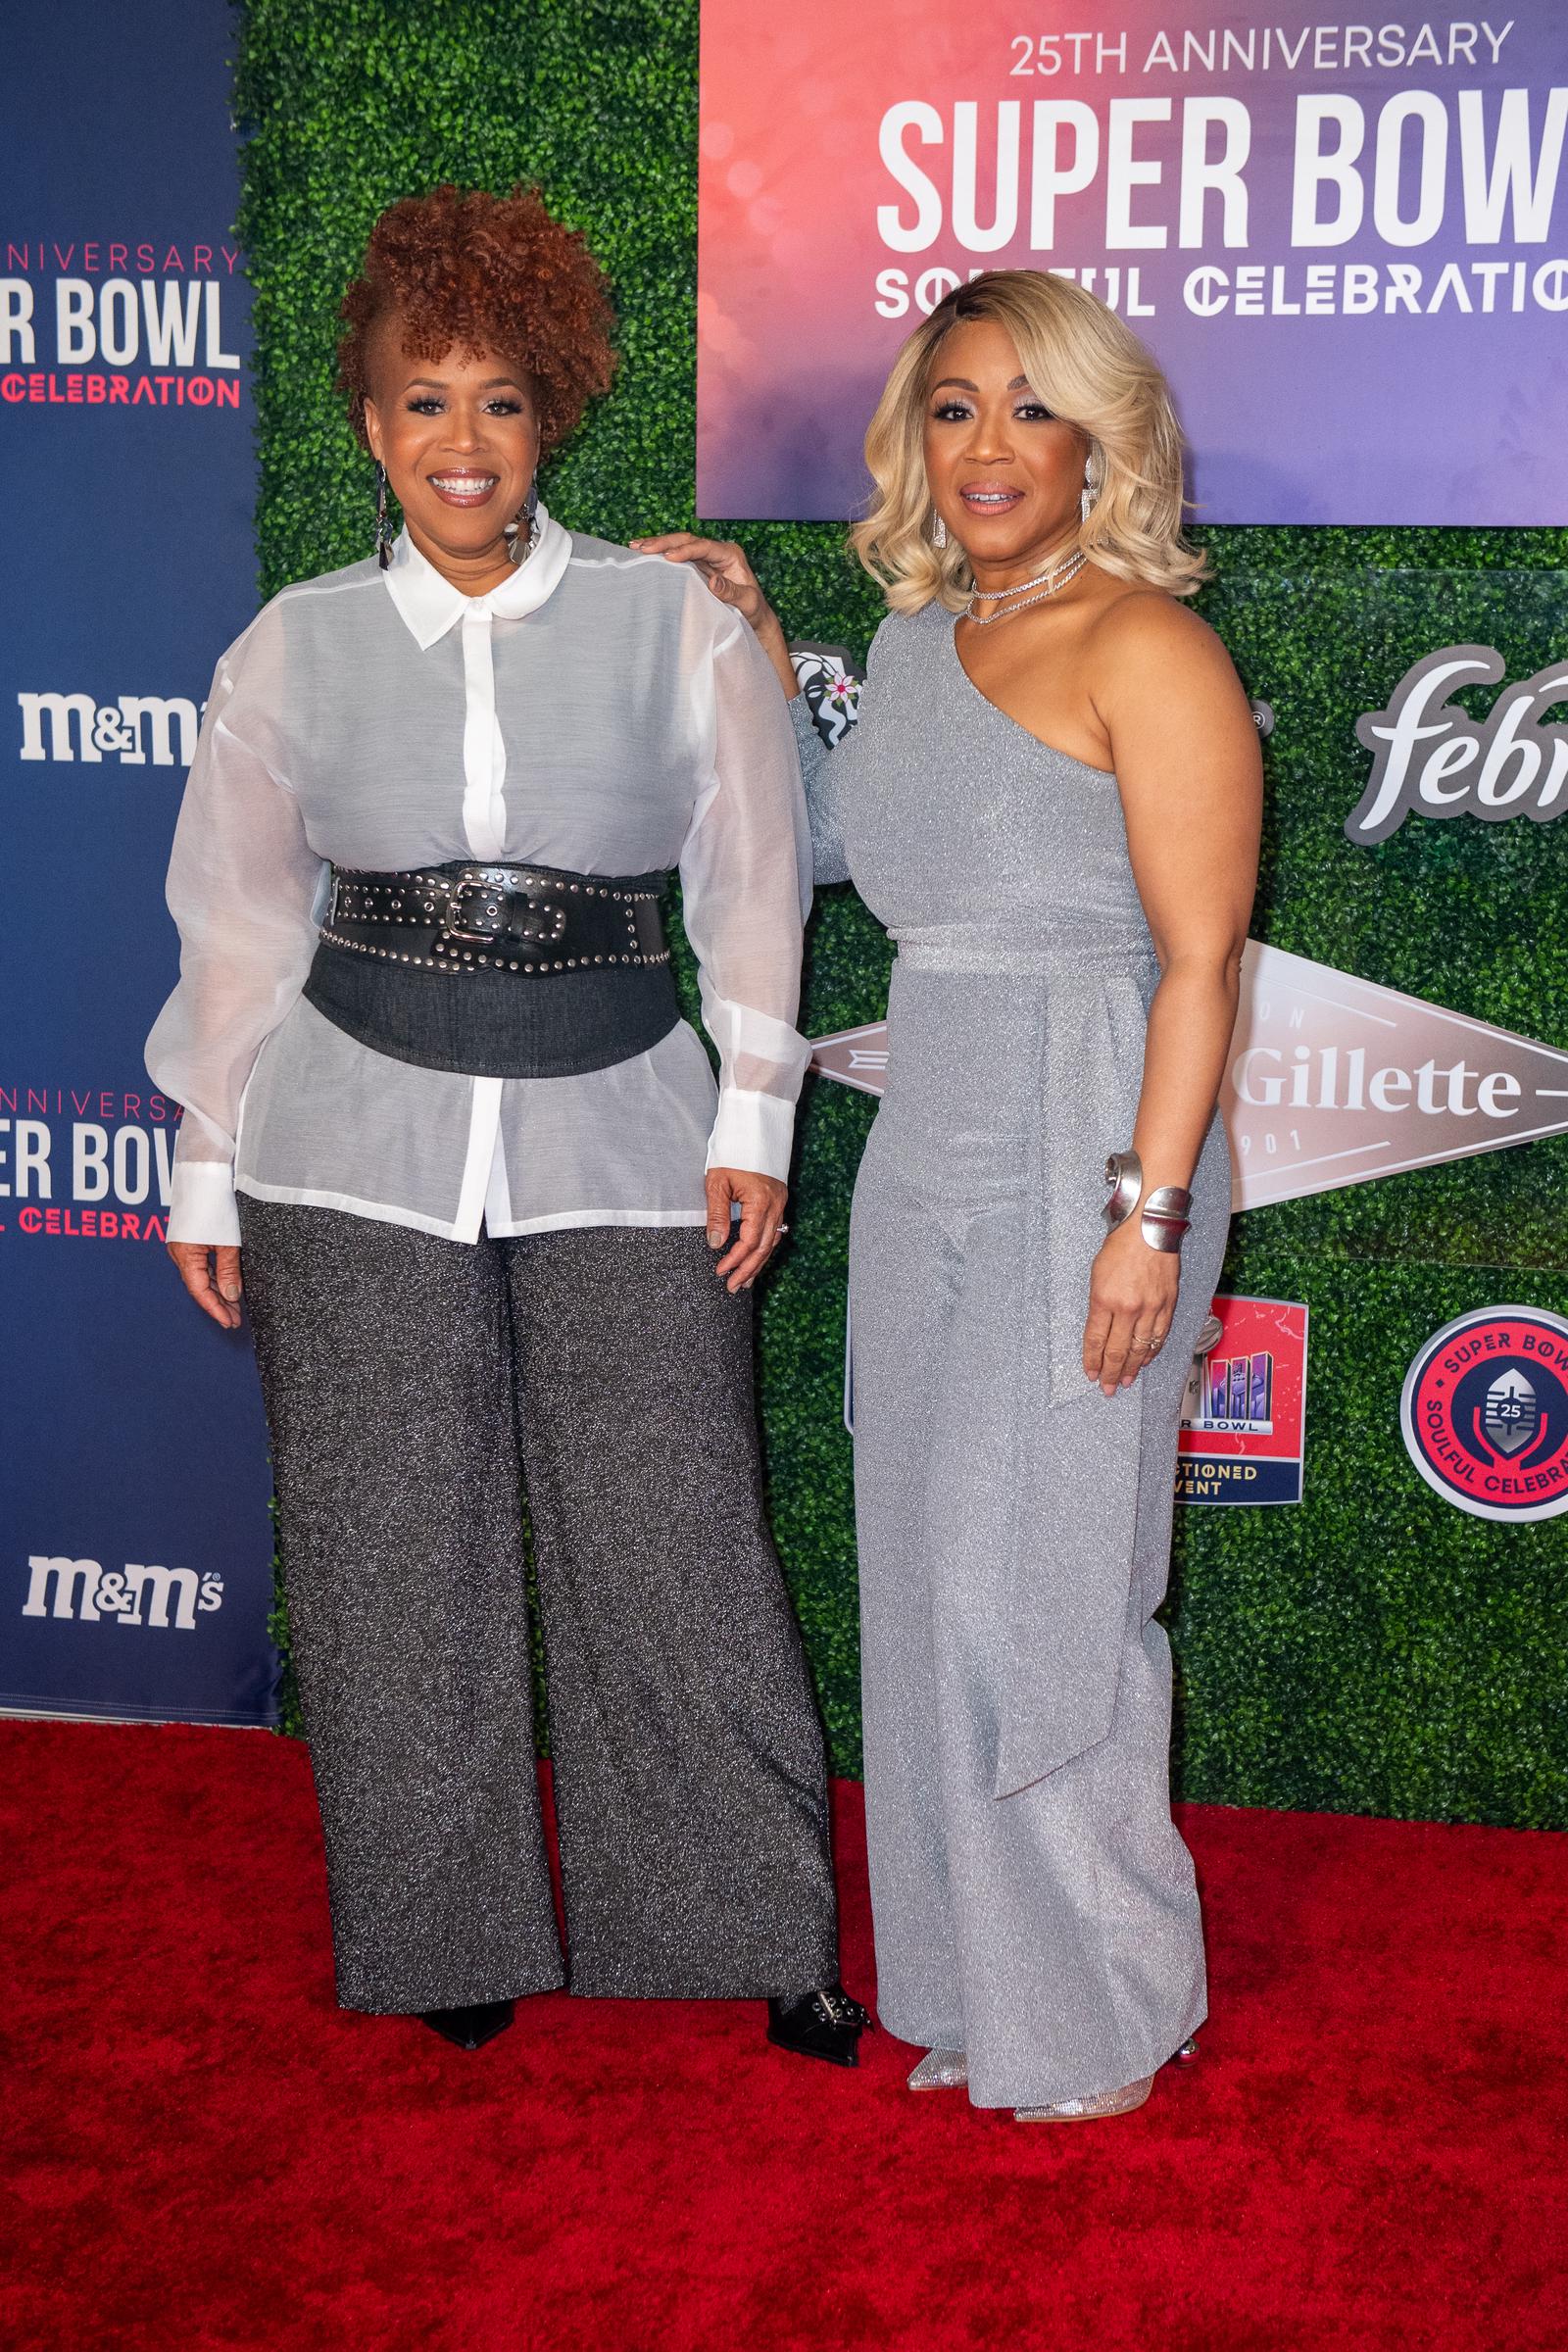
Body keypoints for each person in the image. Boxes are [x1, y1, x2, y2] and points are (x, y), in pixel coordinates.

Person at [146, 183, 866, 2066]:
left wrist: (762, 1116)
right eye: (422, 402)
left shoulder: (671, 625)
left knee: (682, 1537)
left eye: (499, 402)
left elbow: (755, 883)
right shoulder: (286, 650)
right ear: (368, 425)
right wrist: (206, 1158)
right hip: (339, 1139)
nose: (462, 441)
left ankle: (744, 1926)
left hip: (632, 1122)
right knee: (392, 1551)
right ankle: (437, 1926)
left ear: (549, 416)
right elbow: (234, 921)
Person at [638, 269, 1261, 2119]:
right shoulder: (914, 640)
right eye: (957, 407)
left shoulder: (1150, 645)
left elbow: (1204, 967)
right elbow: (832, 853)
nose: (990, 448)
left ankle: (1099, 2009)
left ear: (1101, 443)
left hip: (1093, 1126)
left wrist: (1145, 1220)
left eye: (1032, 410)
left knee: (1045, 1594)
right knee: (924, 1580)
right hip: (925, 1143)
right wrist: (756, 635)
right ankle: (979, 1986)